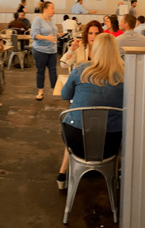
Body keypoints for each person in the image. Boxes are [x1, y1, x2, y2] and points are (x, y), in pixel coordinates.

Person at [57, 33, 124, 190]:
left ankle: (63, 173)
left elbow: (65, 95)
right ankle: (120, 173)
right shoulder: (125, 75)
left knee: (74, 120)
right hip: (111, 144)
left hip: (77, 140)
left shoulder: (81, 69)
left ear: (96, 50)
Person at [32, 1, 59, 101]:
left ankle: (55, 90)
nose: (53, 10)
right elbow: (35, 35)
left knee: (53, 71)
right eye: (52, 8)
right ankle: (40, 92)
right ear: (45, 9)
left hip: (52, 50)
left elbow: (52, 33)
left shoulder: (50, 20)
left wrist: (58, 34)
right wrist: (47, 38)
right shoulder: (37, 20)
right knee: (41, 71)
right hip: (40, 50)